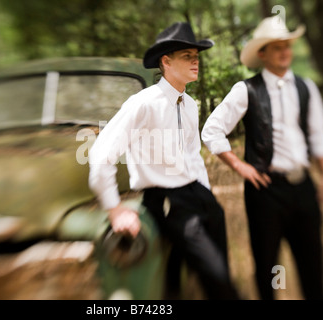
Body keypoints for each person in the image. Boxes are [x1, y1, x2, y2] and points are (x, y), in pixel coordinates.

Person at [88, 22, 239, 300]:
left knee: (189, 275)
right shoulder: (143, 103)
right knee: (219, 280)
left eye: (196, 56)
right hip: (167, 202)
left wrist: (206, 193)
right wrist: (115, 209)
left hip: (198, 196)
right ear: (166, 62)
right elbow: (101, 152)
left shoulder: (190, 105)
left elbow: (193, 156)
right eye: (187, 56)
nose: (196, 62)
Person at [201, 16, 323, 300]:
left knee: (313, 262)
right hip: (265, 192)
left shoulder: (306, 87)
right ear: (262, 54)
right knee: (270, 267)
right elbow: (212, 130)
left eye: (287, 45)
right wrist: (240, 166)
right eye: (277, 47)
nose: (285, 51)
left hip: (303, 188)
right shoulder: (246, 90)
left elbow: (319, 135)